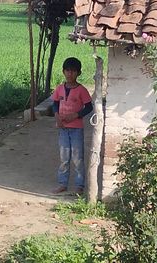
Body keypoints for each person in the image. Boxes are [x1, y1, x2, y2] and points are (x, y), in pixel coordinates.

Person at [51, 57, 93, 194]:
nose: (70, 74)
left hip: (76, 128)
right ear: (63, 72)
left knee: (77, 158)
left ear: (79, 73)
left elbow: (88, 107)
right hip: (63, 128)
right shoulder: (59, 89)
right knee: (64, 158)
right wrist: (57, 117)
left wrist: (76, 115)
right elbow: (55, 103)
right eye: (68, 71)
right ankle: (62, 183)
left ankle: (79, 185)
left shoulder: (82, 90)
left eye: (73, 71)